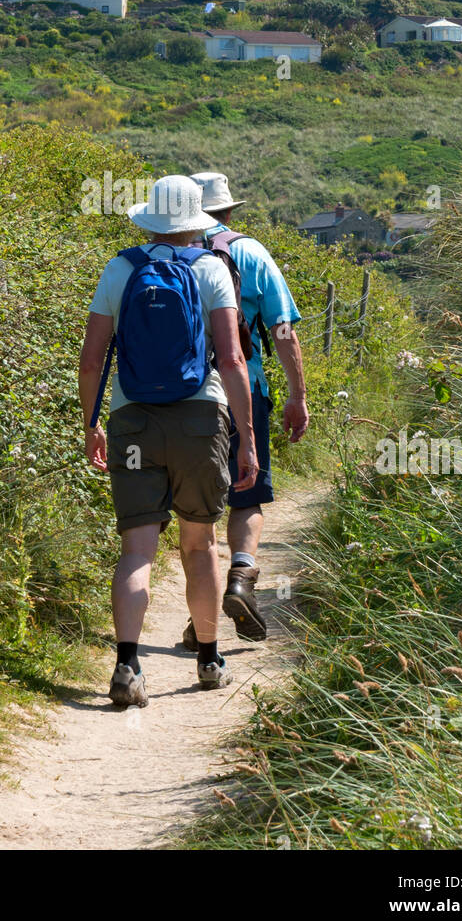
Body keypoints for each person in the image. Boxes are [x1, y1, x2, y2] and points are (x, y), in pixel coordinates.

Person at [79, 175, 259, 708]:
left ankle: (127, 665)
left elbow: (92, 359)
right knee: (198, 543)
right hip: (199, 418)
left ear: (150, 217)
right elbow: (231, 360)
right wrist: (245, 437)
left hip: (131, 418)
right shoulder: (211, 269)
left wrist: (91, 423)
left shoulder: (121, 267)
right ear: (198, 220)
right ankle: (208, 659)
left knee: (137, 548)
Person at [179, 171, 309, 647]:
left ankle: (202, 620)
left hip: (184, 396)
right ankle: (241, 576)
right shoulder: (250, 253)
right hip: (244, 390)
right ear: (230, 210)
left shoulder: (169, 254)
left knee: (198, 513)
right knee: (246, 494)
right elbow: (282, 331)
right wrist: (297, 395)